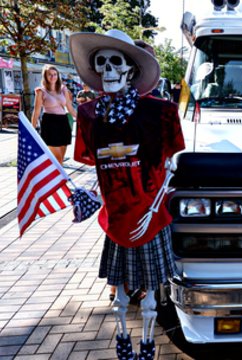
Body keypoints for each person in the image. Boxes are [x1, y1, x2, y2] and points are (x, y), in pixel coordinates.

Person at [70, 29, 185, 360]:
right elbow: (93, 165)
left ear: (130, 70)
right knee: (119, 290)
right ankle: (123, 344)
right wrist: (88, 193)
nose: (107, 70)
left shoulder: (162, 112)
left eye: (114, 62)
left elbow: (170, 163)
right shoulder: (89, 114)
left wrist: (153, 204)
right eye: (100, 63)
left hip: (149, 213)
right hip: (117, 216)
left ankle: (148, 345)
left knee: (150, 290)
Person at [31, 64, 77, 165]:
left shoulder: (63, 89)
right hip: (50, 123)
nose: (53, 77)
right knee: (57, 158)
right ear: (45, 76)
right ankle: (60, 179)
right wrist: (32, 129)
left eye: (55, 74)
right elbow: (36, 111)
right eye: (50, 75)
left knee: (61, 159)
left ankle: (60, 180)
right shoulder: (41, 91)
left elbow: (70, 108)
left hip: (63, 123)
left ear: (58, 75)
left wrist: (84, 119)